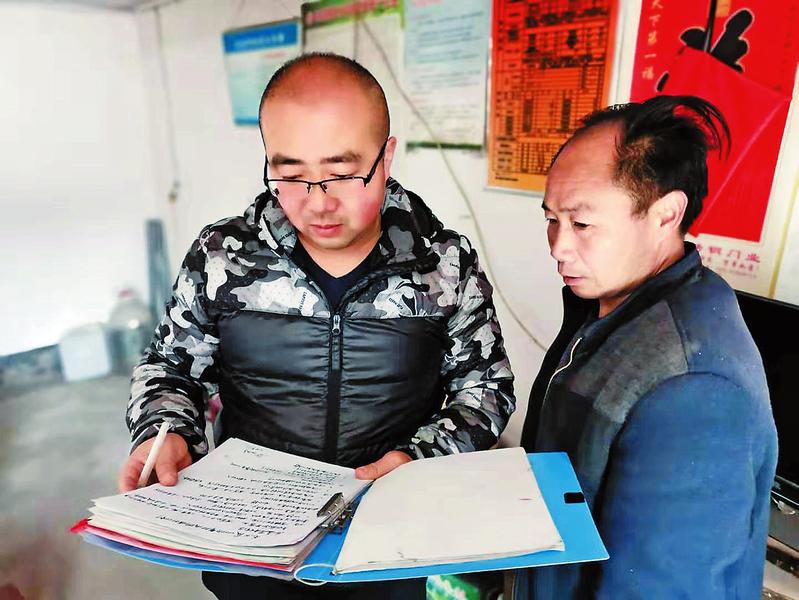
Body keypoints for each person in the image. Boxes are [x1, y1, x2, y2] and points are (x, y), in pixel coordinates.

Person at [118, 53, 515, 599]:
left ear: (386, 157)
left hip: (388, 536)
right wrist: (166, 432)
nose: (317, 203)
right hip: (250, 543)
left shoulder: (441, 264)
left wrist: (419, 458)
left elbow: (486, 388)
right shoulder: (222, 256)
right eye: (290, 175)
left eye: (342, 173)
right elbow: (171, 366)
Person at [515, 95, 778, 598]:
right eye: (551, 219)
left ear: (665, 214)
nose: (557, 246)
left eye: (581, 223)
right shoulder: (603, 305)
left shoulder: (694, 387)